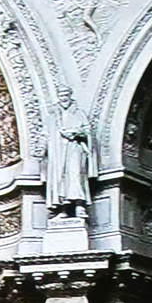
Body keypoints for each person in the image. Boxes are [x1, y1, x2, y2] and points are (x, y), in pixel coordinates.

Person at [45, 86, 92, 217]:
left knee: (75, 174)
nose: (64, 98)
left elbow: (87, 130)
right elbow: (46, 133)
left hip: (74, 148)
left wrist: (74, 133)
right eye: (61, 95)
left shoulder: (78, 113)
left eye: (66, 95)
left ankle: (79, 205)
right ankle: (63, 209)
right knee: (59, 178)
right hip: (58, 152)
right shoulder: (53, 115)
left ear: (70, 95)